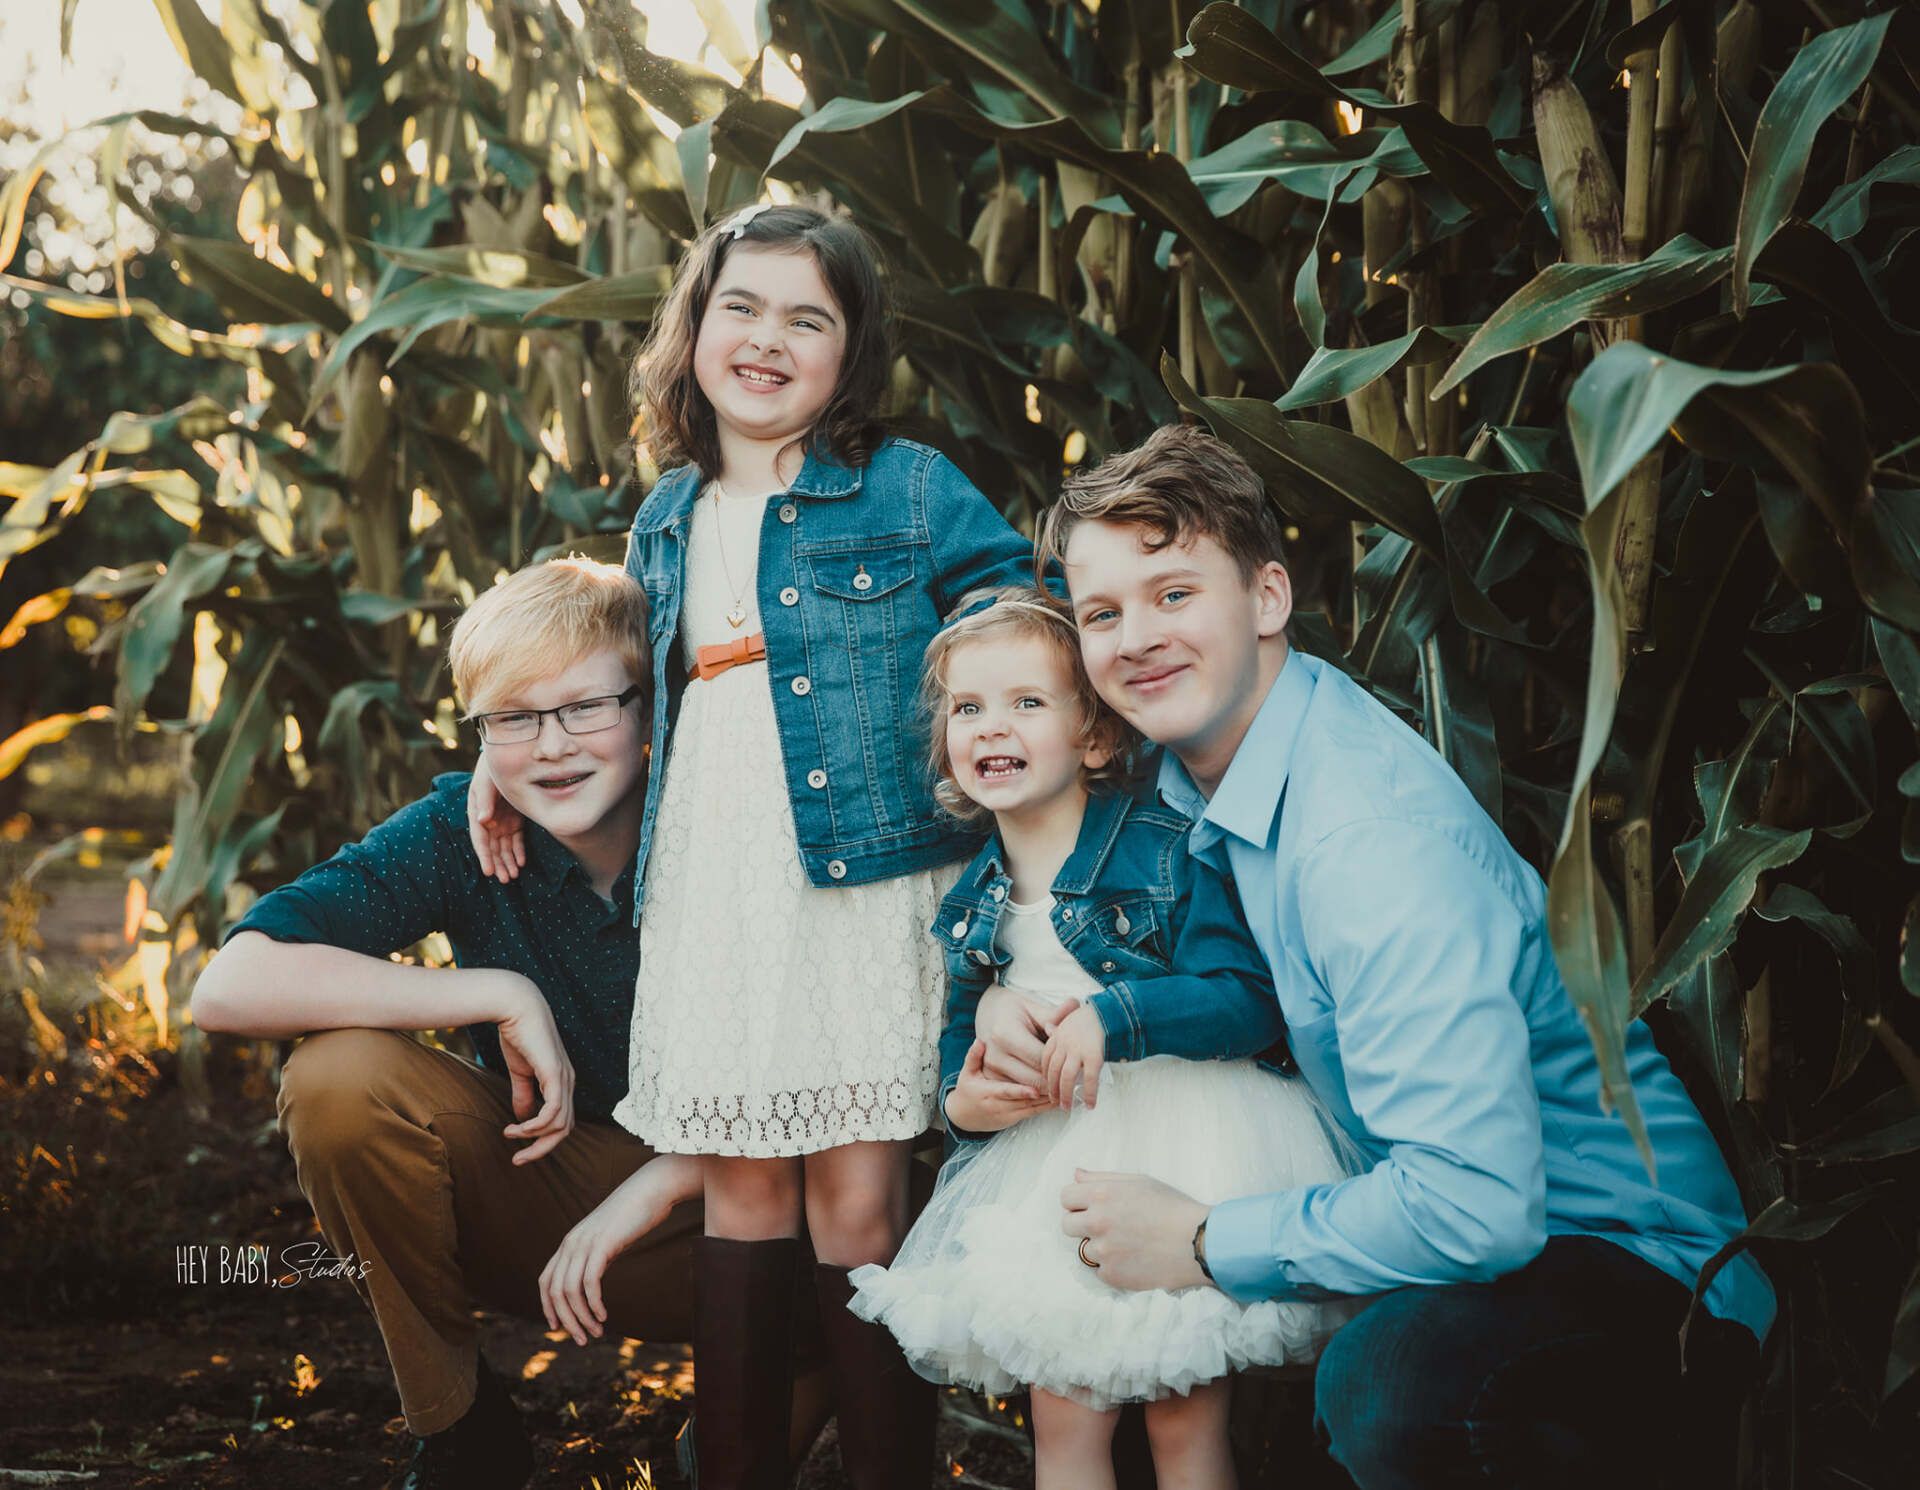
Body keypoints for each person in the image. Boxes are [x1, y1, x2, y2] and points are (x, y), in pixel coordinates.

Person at [994, 423, 1774, 1487]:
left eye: (1174, 592)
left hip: (1636, 1269)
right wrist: (1009, 1008)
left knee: (1393, 1381)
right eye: (1102, 612)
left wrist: (1210, 1236)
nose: (1135, 637)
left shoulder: (1367, 845)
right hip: (1476, 1231)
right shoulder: (1182, 794)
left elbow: (1478, 1206)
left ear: (1268, 597)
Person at [467, 203, 1033, 1488]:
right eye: (743, 307)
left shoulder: (908, 486)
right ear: (695, 326)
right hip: (716, 871)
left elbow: (1020, 608)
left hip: (863, 869)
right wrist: (494, 772)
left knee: (856, 1195)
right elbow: (597, 688)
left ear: (851, 354)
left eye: (808, 319)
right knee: (741, 1186)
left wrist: (984, 738)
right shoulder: (667, 512)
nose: (769, 339)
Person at [191, 557, 825, 1490]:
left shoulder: (736, 826)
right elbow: (230, 985)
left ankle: (735, 1444)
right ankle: (459, 1432)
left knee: (891, 1207)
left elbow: (826, 1088)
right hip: (543, 1190)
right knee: (336, 1080)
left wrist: (644, 1193)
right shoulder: (462, 833)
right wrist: (494, 991)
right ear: (481, 734)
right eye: (515, 719)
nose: (554, 746)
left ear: (653, 704)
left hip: (747, 1209)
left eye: (586, 708)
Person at [845, 586, 1360, 1489]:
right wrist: (971, 1101)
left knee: (1182, 1421)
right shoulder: (971, 906)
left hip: (1188, 1155)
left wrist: (1114, 1016)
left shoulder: (1164, 848)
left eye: (1026, 703)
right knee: (1066, 1423)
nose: (991, 727)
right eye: (968, 708)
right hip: (1051, 1175)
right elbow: (958, 1068)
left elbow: (1245, 998)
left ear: (1093, 737)